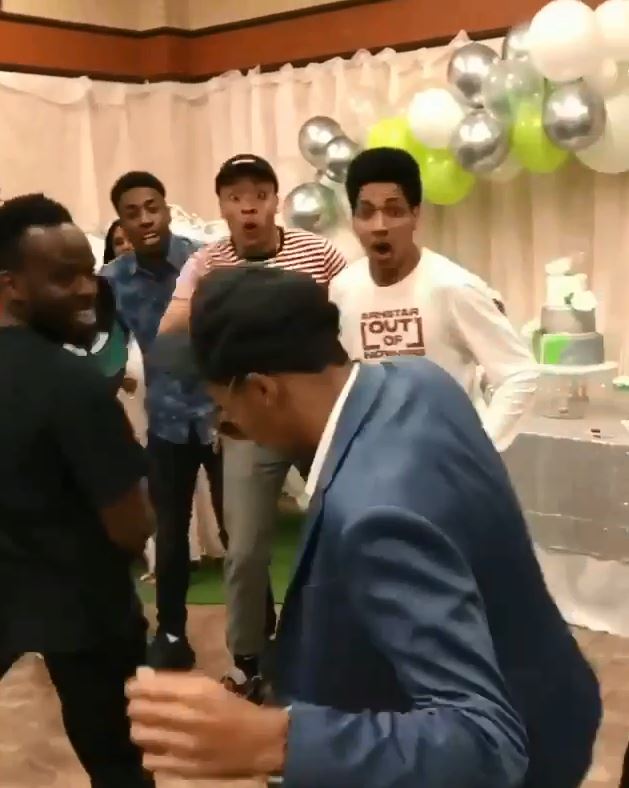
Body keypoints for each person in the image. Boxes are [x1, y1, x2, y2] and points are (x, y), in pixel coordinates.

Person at [128, 264, 601, 788]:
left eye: (223, 410)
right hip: (551, 696)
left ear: (262, 390)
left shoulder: (376, 513)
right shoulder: (418, 380)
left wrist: (273, 740)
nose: (228, 429)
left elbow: (485, 742)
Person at [158, 154, 347, 699]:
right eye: (236, 197)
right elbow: (171, 333)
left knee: (346, 534)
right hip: (250, 426)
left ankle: (340, 652)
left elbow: (351, 316)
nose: (248, 208)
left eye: (259, 196)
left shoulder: (320, 253)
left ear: (275, 201)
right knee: (244, 550)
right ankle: (247, 664)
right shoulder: (207, 262)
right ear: (221, 206)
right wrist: (223, 386)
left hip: (318, 420)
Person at [0, 193, 155, 787]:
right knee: (118, 765)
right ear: (11, 285)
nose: (88, 290)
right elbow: (131, 525)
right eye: (64, 278)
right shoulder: (74, 386)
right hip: (87, 607)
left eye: (89, 273)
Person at [329, 146, 539, 452]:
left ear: (416, 215)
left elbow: (519, 373)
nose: (379, 226)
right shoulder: (342, 289)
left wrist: (480, 448)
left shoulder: (453, 286)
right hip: (374, 456)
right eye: (367, 212)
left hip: (444, 458)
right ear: (353, 220)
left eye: (394, 211)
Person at [103, 171, 224, 671]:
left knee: (241, 532)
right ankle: (171, 635)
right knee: (170, 535)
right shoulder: (112, 280)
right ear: (122, 224)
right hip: (167, 422)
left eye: (152, 207)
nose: (146, 219)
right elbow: (106, 348)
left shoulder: (205, 260)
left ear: (166, 208)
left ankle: (260, 636)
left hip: (223, 417)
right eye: (132, 213)